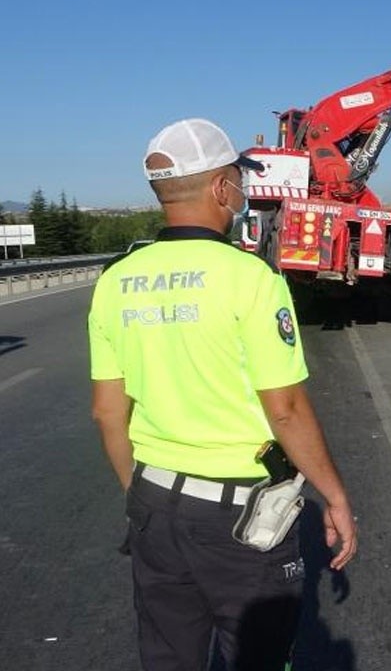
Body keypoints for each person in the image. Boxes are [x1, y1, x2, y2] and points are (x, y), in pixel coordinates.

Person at [88, 118, 358, 670]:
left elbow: (107, 411)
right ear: (219, 188)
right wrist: (334, 496)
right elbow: (284, 409)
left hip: (152, 503)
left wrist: (141, 495)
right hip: (238, 519)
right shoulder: (251, 278)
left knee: (169, 656)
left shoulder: (116, 280)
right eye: (238, 178)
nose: (242, 191)